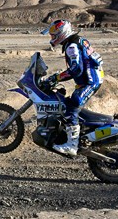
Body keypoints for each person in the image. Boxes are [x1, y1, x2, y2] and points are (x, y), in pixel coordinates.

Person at [42, 19, 104, 156]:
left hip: (90, 82)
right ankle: (79, 135)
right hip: (91, 79)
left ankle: (72, 145)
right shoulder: (78, 40)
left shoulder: (71, 47)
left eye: (54, 35)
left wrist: (56, 78)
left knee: (72, 106)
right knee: (70, 104)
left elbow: (76, 69)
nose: (52, 38)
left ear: (62, 33)